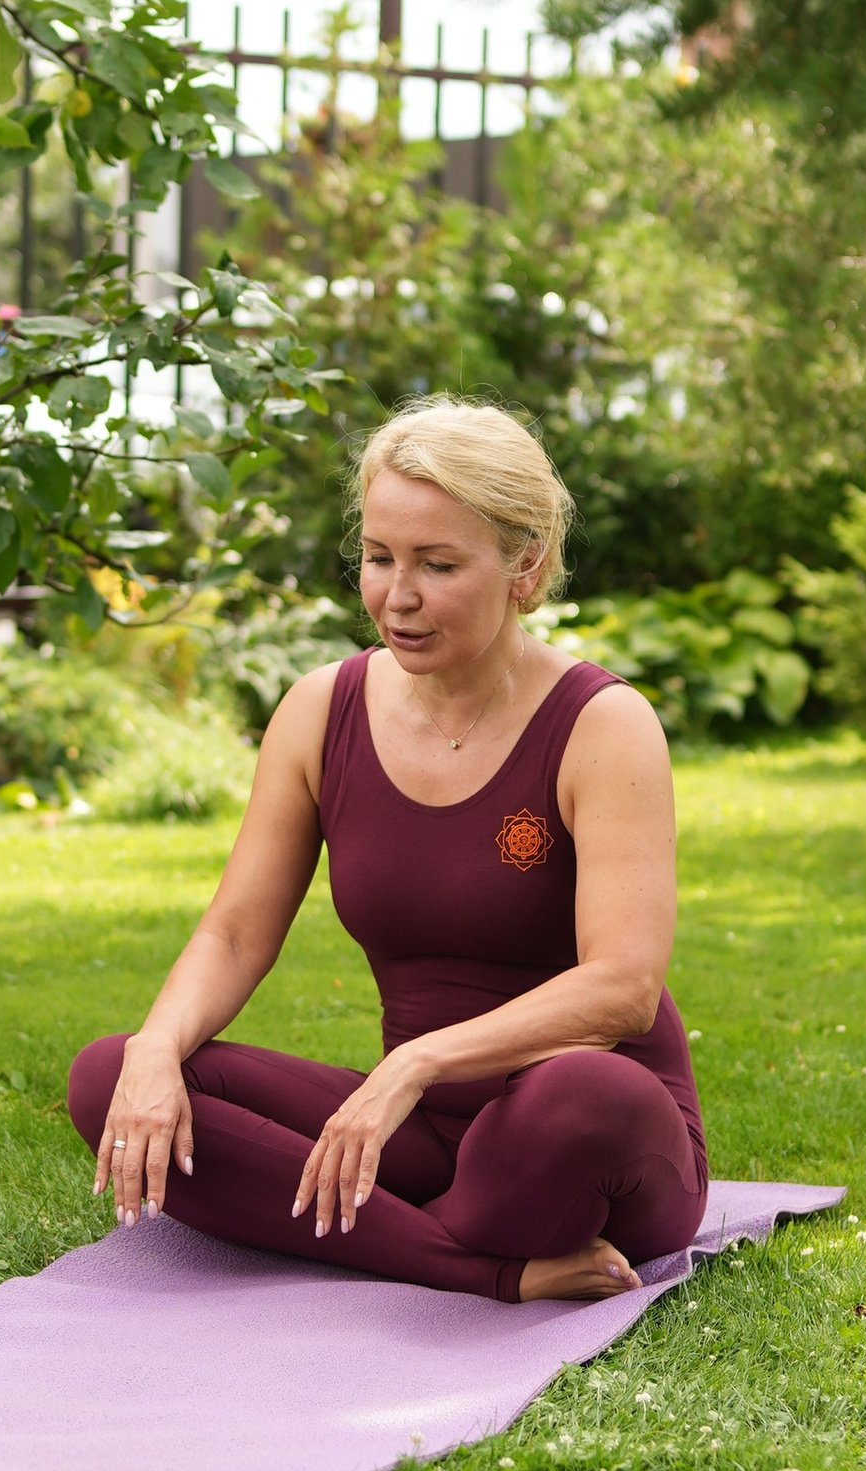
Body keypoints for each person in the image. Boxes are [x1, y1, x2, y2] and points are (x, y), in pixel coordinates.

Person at [68, 398, 707, 1306]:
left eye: (437, 565)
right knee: (114, 1075)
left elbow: (623, 990)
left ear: (525, 565)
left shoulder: (603, 726)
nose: (396, 598)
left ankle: (423, 1240)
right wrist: (157, 1052)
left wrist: (412, 1065)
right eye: (379, 559)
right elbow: (237, 935)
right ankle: (481, 1266)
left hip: (580, 1132)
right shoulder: (320, 711)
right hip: (419, 1138)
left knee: (585, 1098)